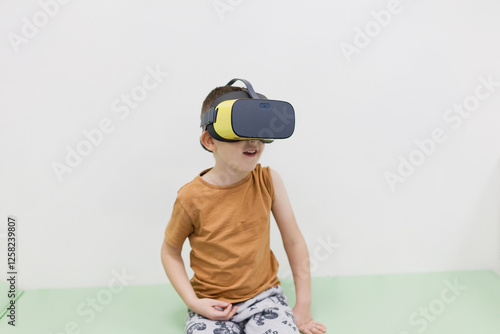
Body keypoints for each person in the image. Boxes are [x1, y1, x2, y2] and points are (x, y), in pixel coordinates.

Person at [161, 82, 327, 334]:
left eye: (260, 133)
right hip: (212, 305)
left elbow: (294, 241)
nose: (254, 141)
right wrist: (193, 302)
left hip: (265, 299)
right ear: (209, 141)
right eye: (241, 132)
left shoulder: (269, 181)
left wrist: (303, 305)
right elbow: (170, 252)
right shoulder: (190, 197)